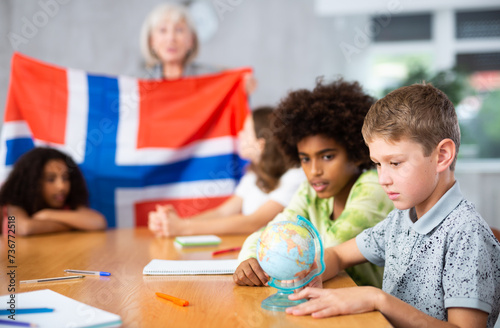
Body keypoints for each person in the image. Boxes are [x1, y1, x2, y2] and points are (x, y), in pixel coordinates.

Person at [285, 83, 500, 327]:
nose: (383, 179)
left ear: (442, 156)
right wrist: (311, 271)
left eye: (395, 163)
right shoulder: (400, 219)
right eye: (377, 164)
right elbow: (337, 255)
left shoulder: (467, 234)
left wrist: (377, 299)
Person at [233, 78, 394, 288]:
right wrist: (248, 260)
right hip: (328, 300)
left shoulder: (374, 187)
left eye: (327, 157)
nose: (314, 171)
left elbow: (324, 252)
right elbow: (272, 231)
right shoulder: (310, 192)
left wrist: (272, 252)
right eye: (305, 159)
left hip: (374, 316)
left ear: (356, 153)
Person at [148, 107, 305, 237]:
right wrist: (176, 223)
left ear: (260, 144)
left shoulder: (295, 177)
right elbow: (222, 213)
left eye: (246, 132)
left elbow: (252, 222)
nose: (240, 135)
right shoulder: (253, 174)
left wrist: (182, 228)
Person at [140, 3, 257, 93]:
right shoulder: (138, 83)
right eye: (163, 30)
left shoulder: (209, 77)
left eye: (179, 30)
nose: (171, 38)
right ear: (151, 41)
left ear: (191, 40)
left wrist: (241, 84)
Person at [0, 147, 107, 236]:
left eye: (65, 178)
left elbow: (99, 222)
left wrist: (48, 215)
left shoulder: (68, 204)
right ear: (31, 182)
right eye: (51, 179)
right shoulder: (14, 204)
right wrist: (73, 225)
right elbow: (25, 228)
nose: (61, 186)